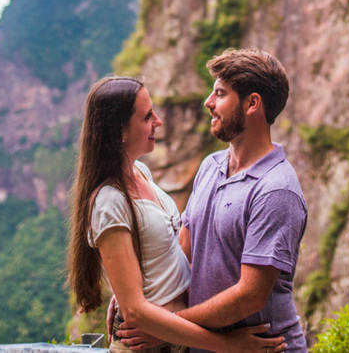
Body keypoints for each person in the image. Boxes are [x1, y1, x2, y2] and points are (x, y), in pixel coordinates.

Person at [68, 76, 287, 353]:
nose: (158, 121)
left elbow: (165, 252)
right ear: (119, 131)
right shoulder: (109, 202)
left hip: (178, 337)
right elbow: (135, 312)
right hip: (149, 346)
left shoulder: (141, 174)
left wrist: (130, 287)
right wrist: (227, 345)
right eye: (147, 117)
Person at [116, 49, 308, 353]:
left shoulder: (276, 189)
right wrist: (136, 292)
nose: (208, 102)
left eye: (220, 93)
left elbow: (250, 296)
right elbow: (182, 253)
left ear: (252, 104)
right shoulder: (211, 166)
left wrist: (167, 327)